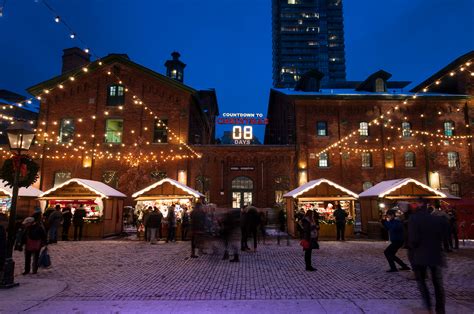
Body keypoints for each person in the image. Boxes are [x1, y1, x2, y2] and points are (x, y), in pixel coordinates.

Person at [409, 203, 448, 314]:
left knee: (422, 282)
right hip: (435, 254)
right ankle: (440, 309)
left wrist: (413, 248)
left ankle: (428, 307)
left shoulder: (414, 219)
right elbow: (445, 235)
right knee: (437, 283)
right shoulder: (437, 219)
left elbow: (414, 239)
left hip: (421, 255)